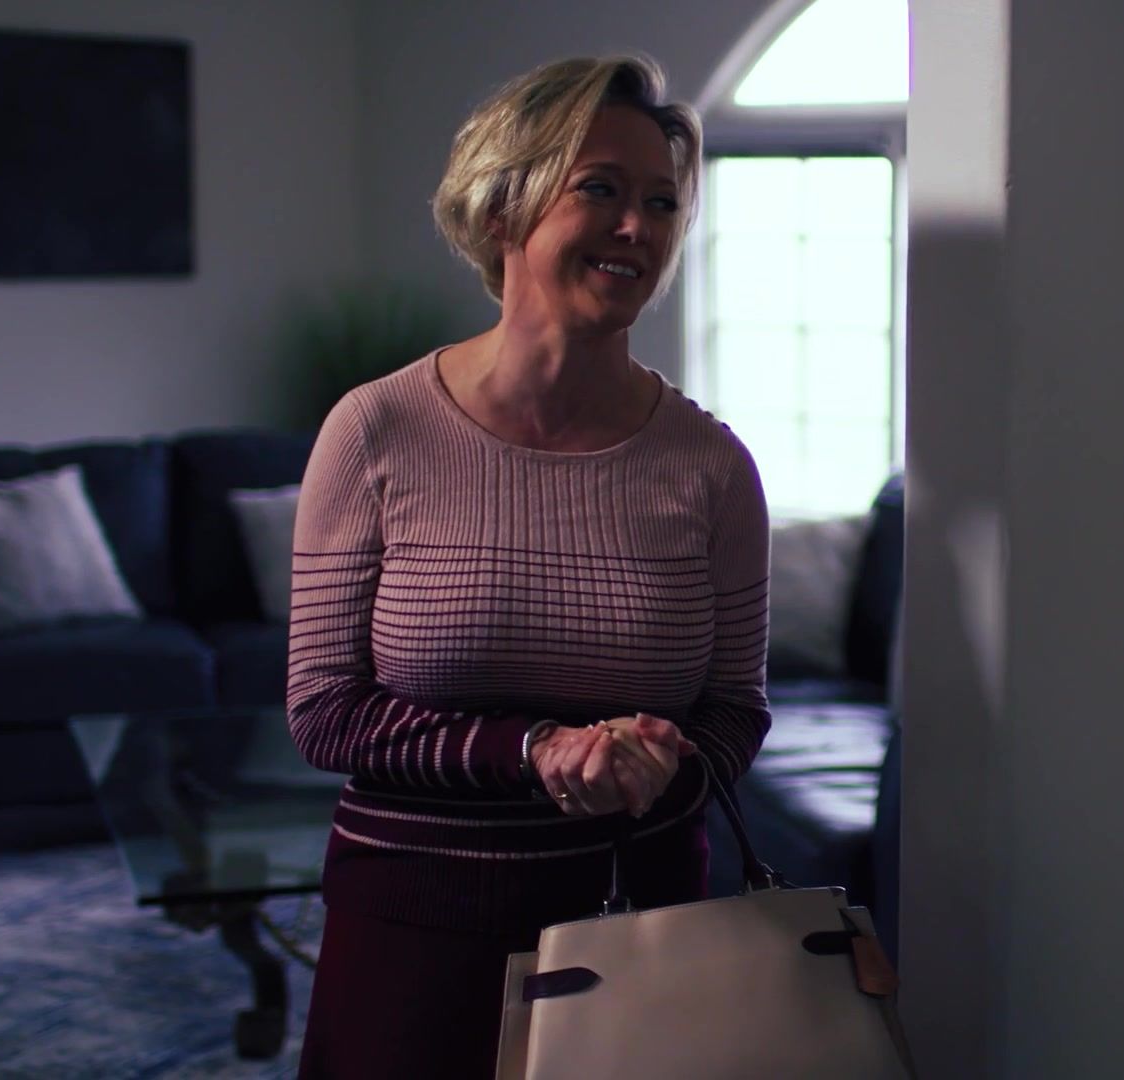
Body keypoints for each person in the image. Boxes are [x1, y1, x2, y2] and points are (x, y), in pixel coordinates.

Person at [287, 55, 770, 1078]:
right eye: (600, 189)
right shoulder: (375, 431)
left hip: (639, 934)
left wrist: (661, 763)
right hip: (413, 933)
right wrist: (533, 750)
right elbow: (323, 710)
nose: (637, 227)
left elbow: (735, 712)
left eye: (661, 202)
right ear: (501, 206)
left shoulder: (711, 467)